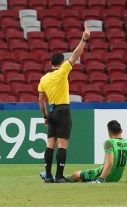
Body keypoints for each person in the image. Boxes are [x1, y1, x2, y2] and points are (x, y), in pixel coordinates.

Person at [38, 23, 90, 183]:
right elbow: (75, 55)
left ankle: (48, 175)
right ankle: (59, 176)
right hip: (63, 110)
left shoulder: (44, 78)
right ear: (61, 62)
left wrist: (45, 116)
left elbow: (41, 100)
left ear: (50, 63)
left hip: (52, 111)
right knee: (62, 144)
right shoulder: (62, 72)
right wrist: (84, 39)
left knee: (49, 144)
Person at [40, 120, 127, 182]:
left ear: (108, 131)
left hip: (103, 175)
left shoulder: (109, 143)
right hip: (116, 178)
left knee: (77, 174)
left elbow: (109, 163)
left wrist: (101, 179)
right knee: (80, 180)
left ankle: (56, 178)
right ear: (121, 131)